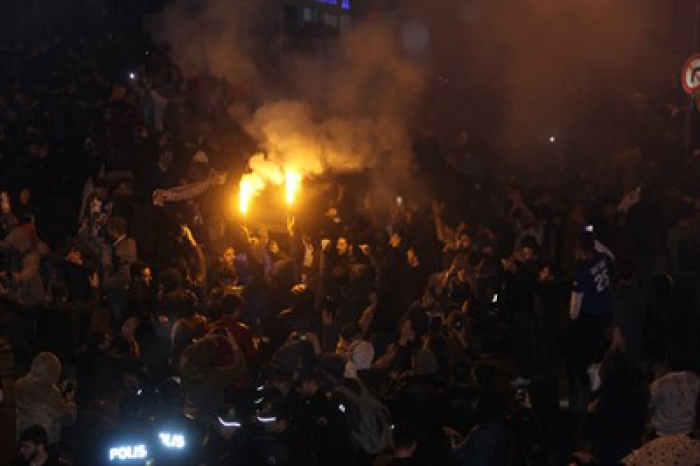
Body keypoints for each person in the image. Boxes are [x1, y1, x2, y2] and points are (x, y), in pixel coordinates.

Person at [15, 352, 77, 448]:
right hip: (44, 442)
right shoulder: (50, 395)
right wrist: (70, 402)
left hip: (22, 439)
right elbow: (68, 418)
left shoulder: (19, 385)